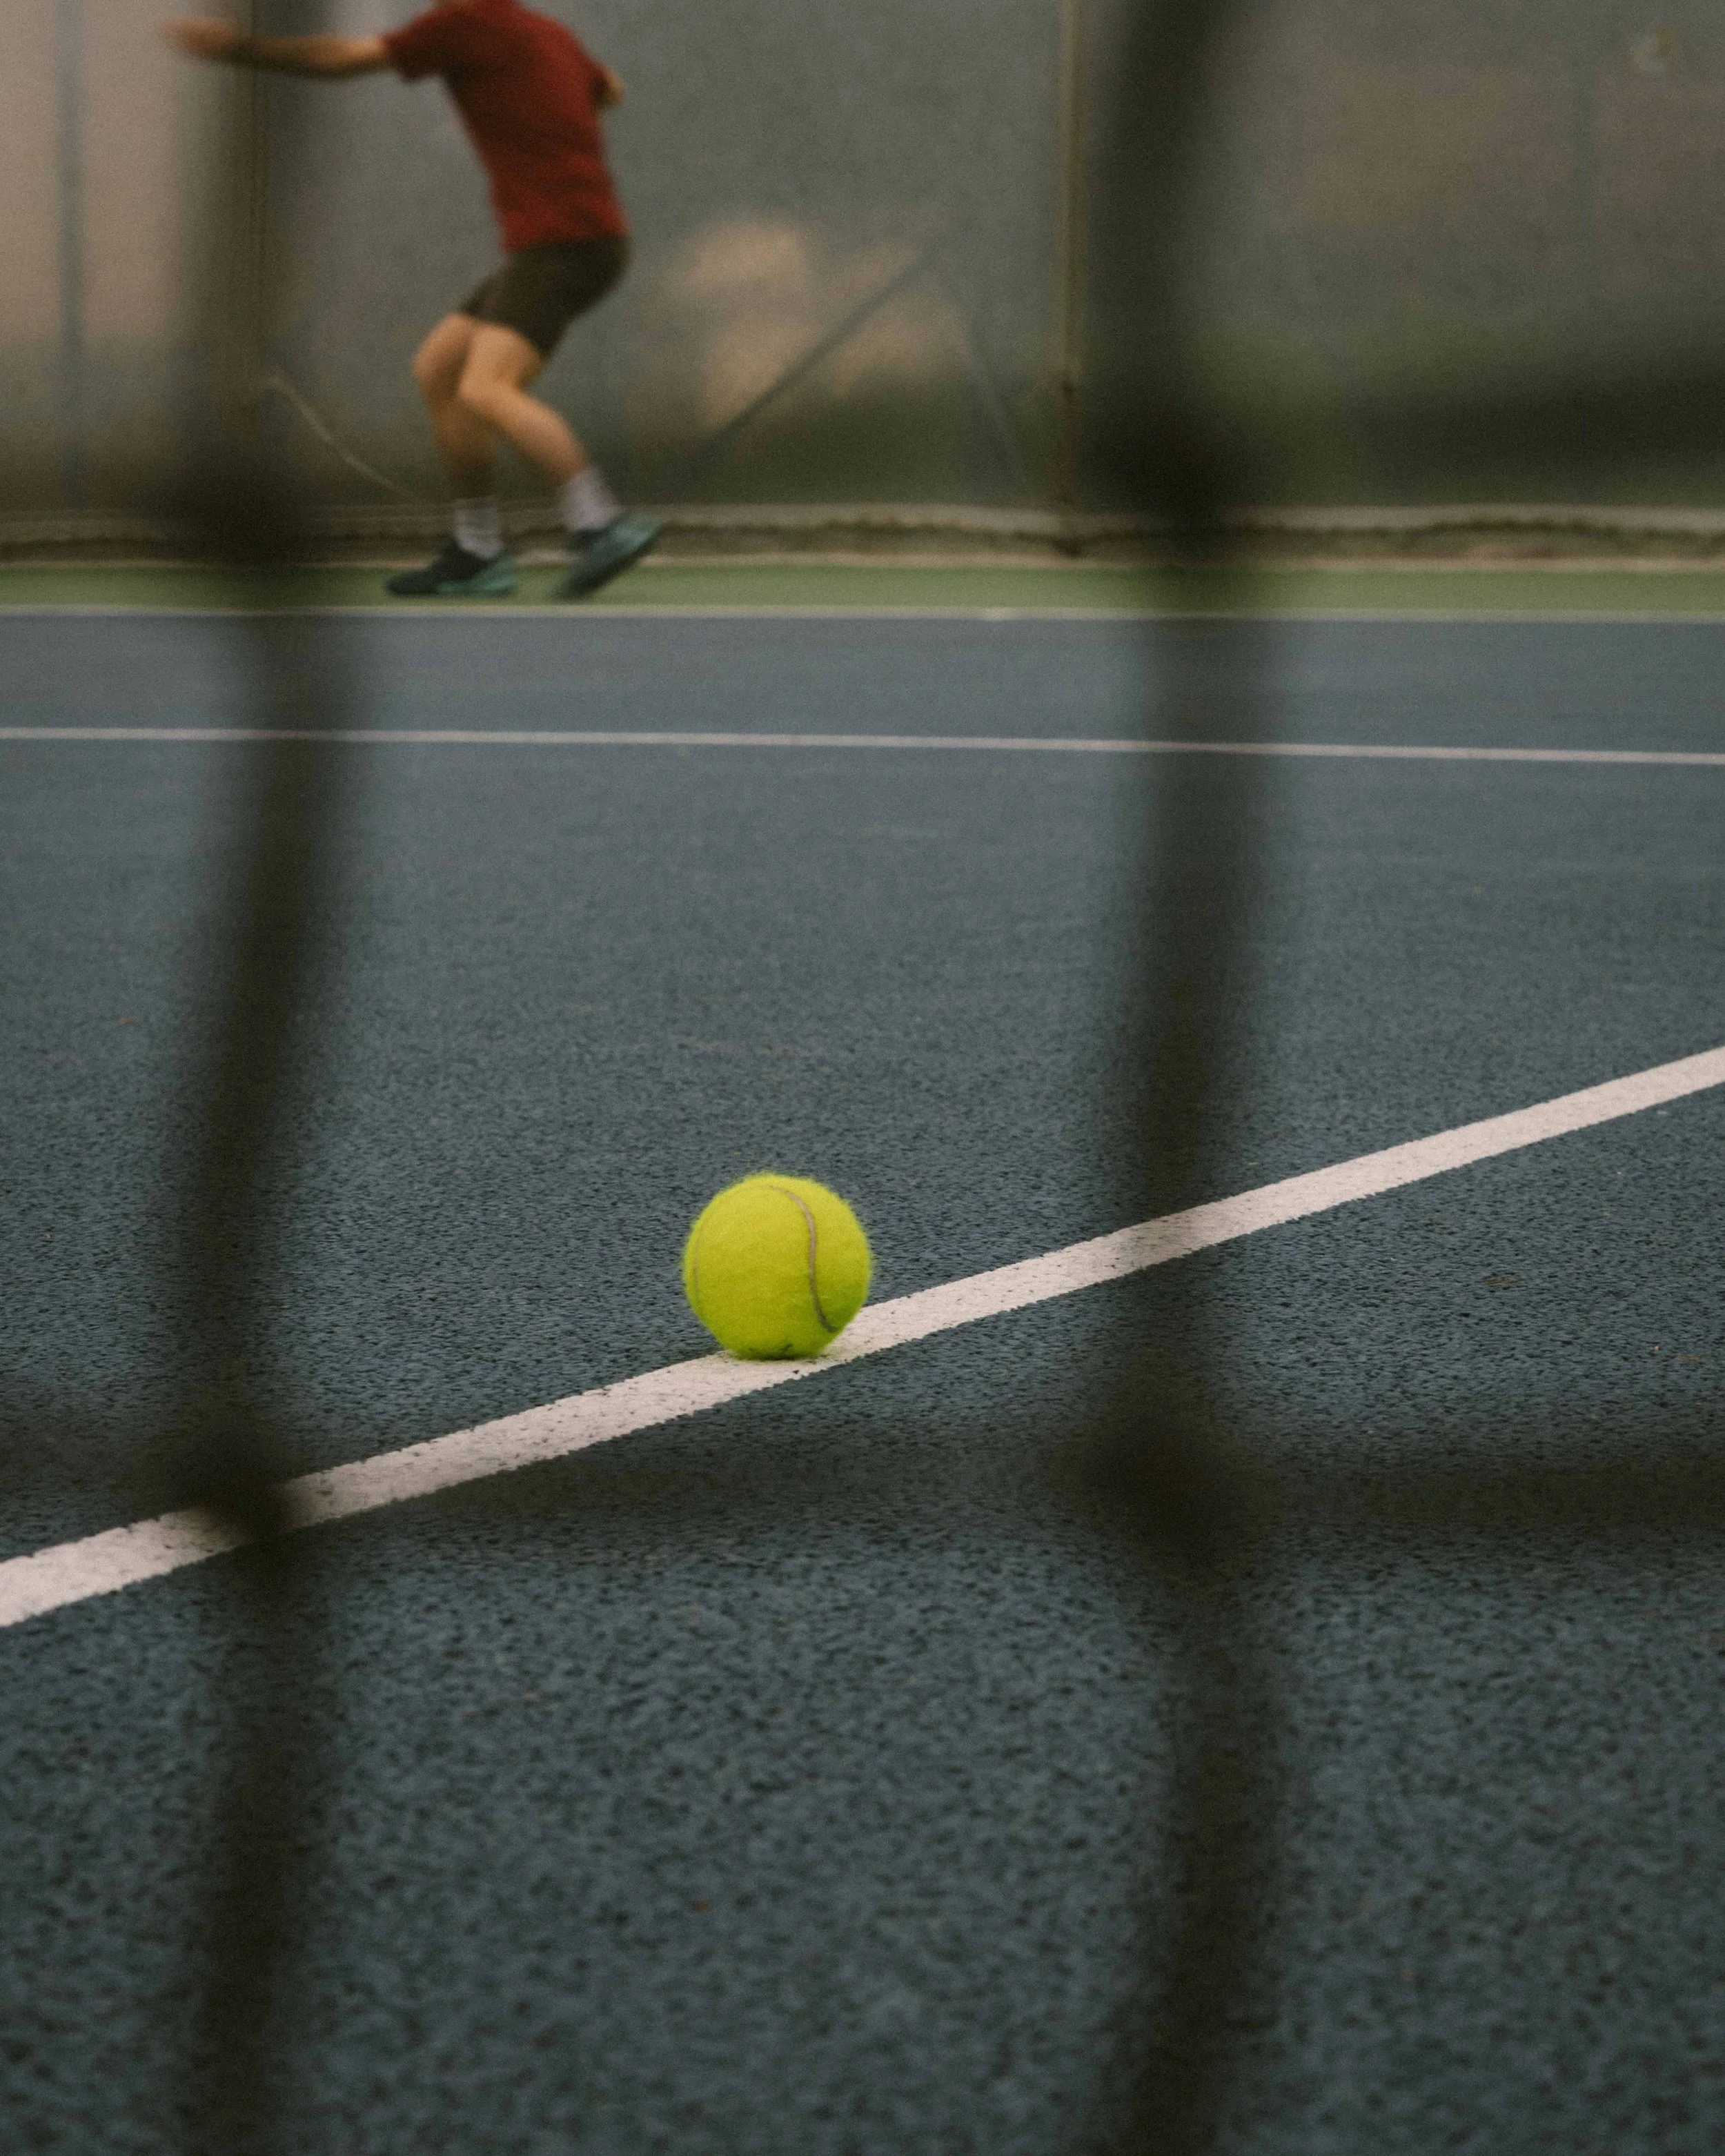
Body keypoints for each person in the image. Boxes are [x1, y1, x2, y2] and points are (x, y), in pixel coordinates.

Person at [164, 0, 660, 600]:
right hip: (570, 240)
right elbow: (612, 90)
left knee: (488, 388)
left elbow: (341, 59)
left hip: (565, 244)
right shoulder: (548, 33)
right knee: (440, 369)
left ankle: (598, 521)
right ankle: (479, 550)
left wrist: (237, 49)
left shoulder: (464, 22)